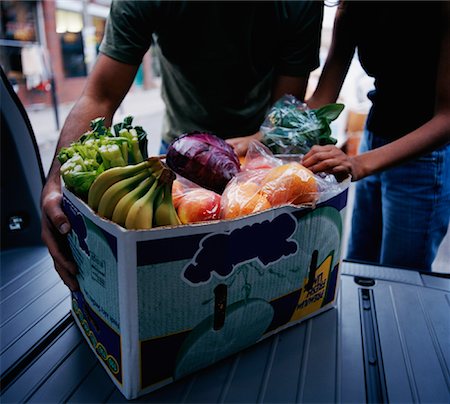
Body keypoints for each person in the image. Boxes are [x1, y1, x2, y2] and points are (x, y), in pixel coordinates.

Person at [41, 1, 324, 290]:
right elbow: (100, 96)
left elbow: (285, 109)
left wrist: (260, 142)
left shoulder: (297, 4)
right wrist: (55, 183)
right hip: (180, 158)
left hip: (255, 160)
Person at [303, 1, 450, 271]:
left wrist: (358, 164)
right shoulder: (354, 5)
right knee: (360, 267)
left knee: (401, 282)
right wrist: (268, 134)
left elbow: (446, 118)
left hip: (422, 160)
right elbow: (323, 98)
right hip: (374, 142)